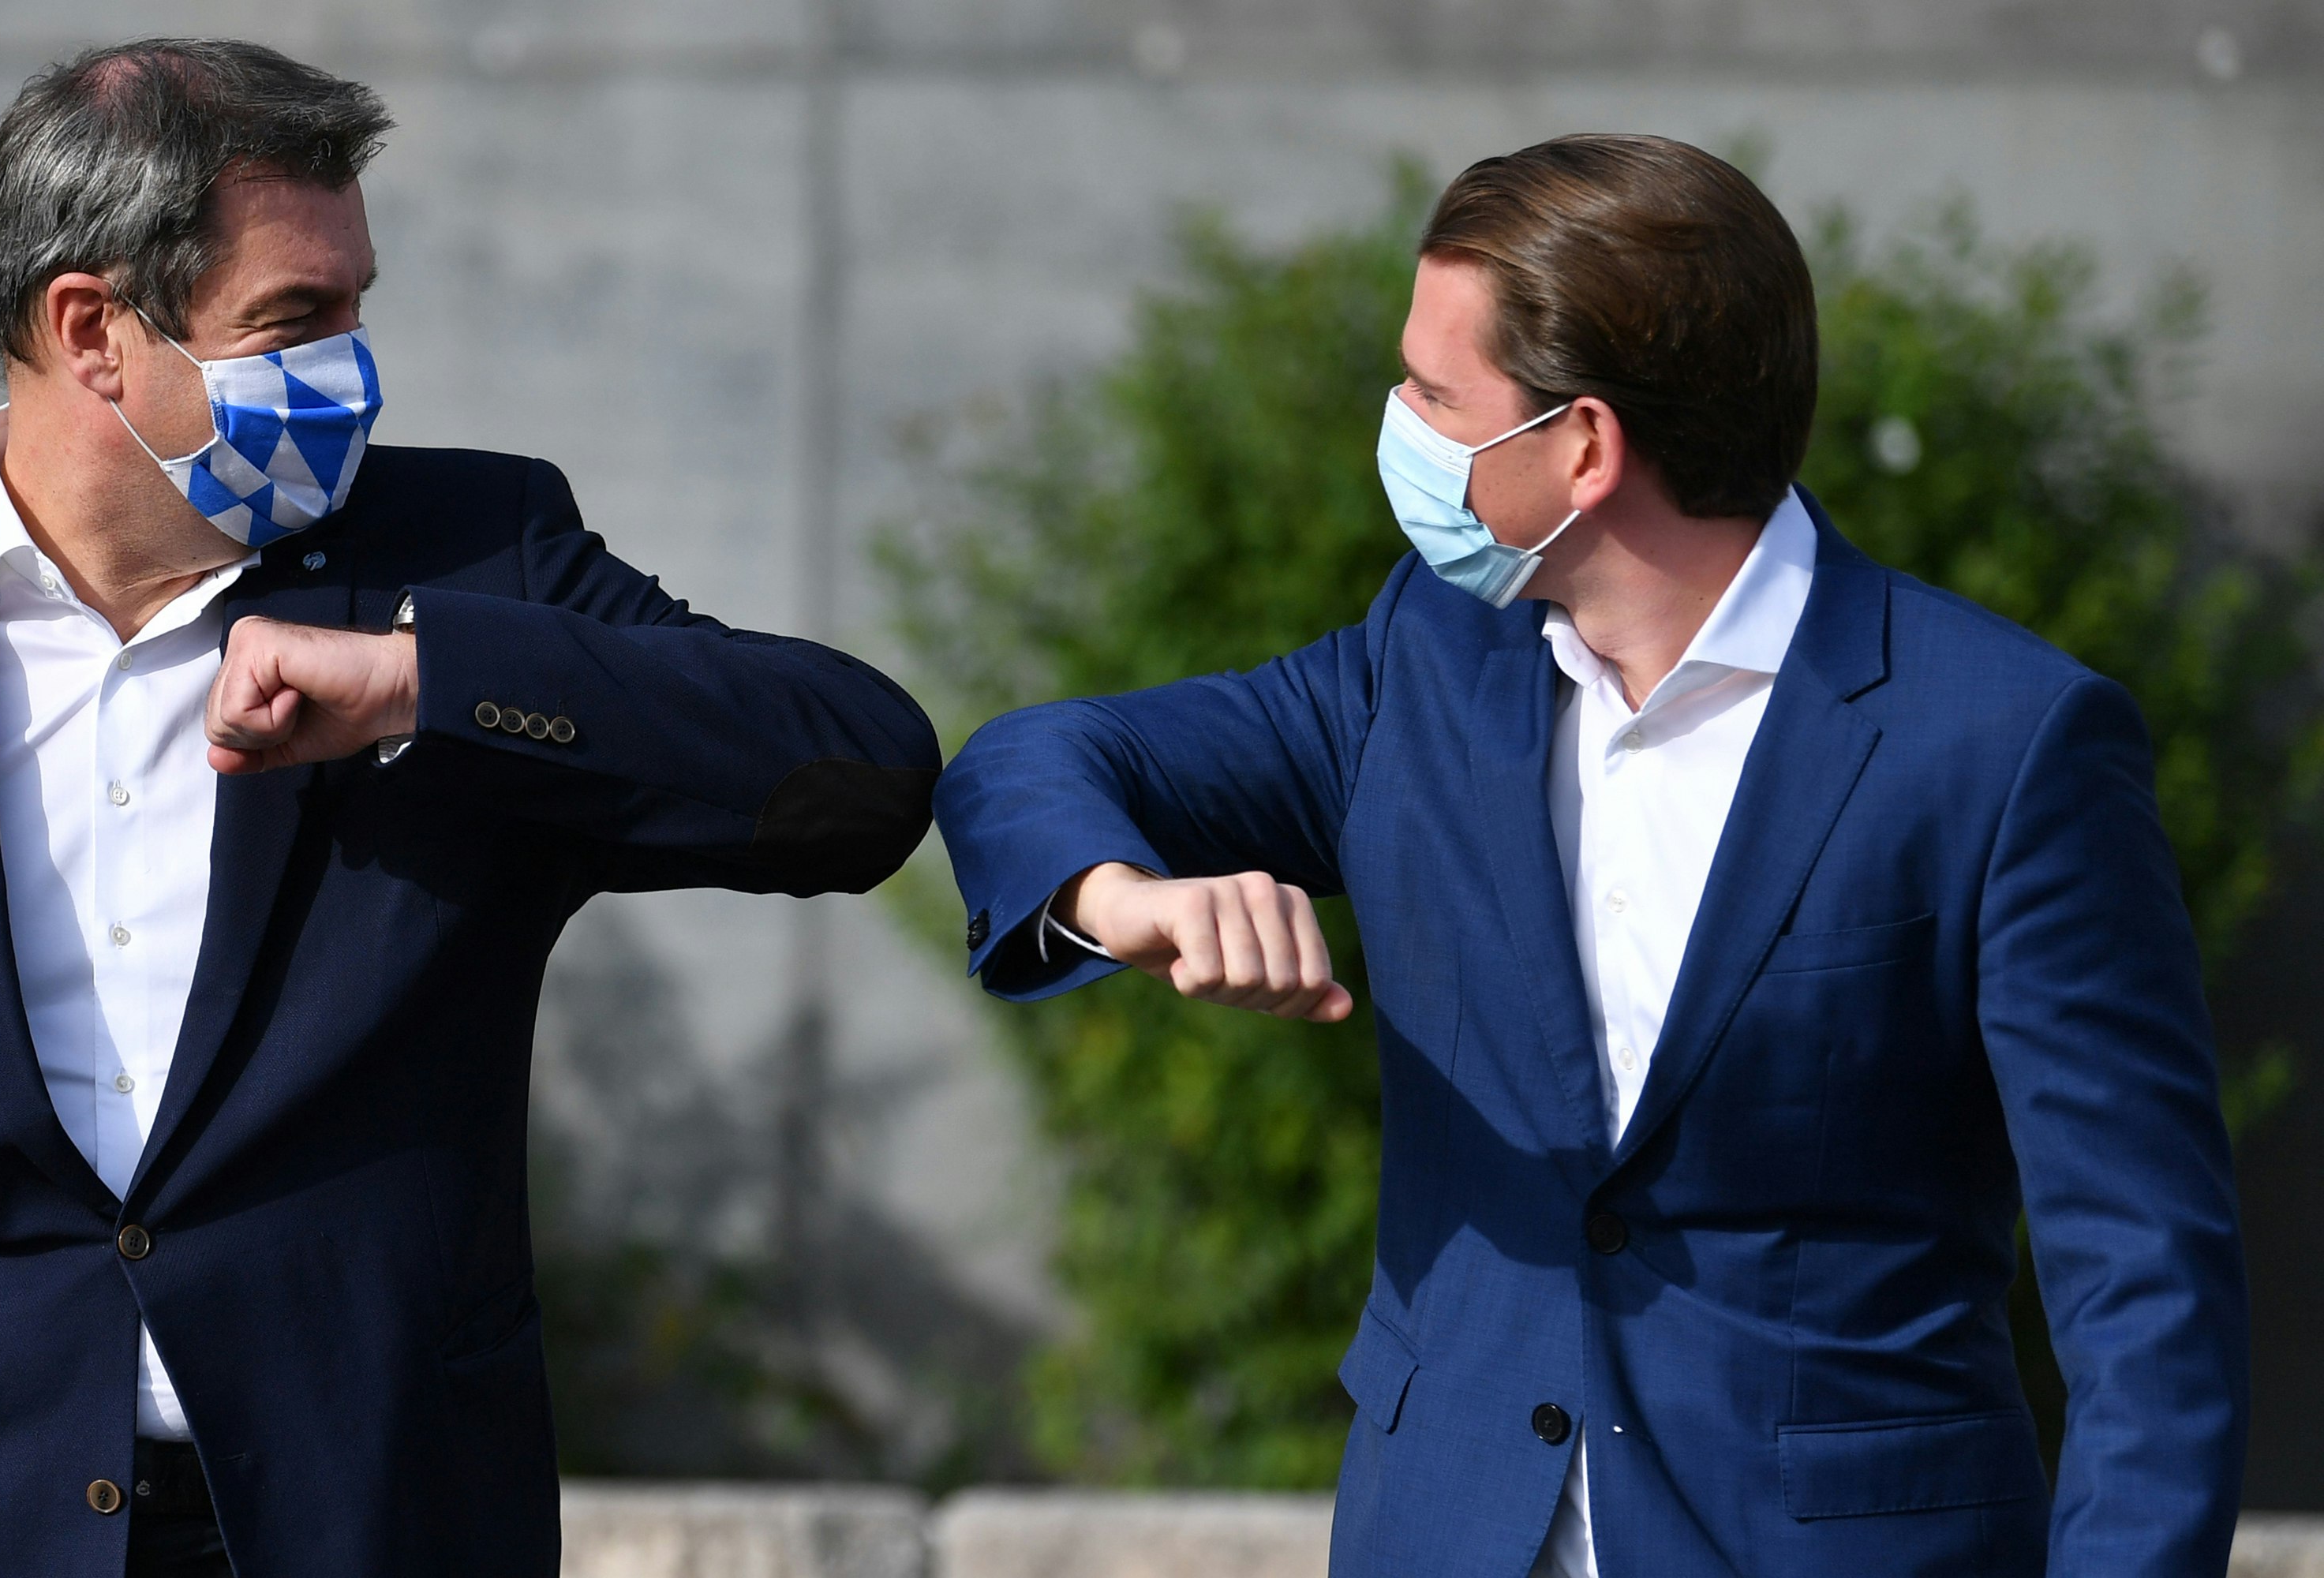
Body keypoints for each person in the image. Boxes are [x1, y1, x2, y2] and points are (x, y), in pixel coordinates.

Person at [0, 38, 939, 1578]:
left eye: (358, 305)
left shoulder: (470, 565)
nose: (352, 366)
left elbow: (863, 775)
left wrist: (429, 682)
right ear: (92, 329)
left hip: (359, 1521)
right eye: (295, 320)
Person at [934, 134, 2245, 1576]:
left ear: (1586, 448)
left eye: (1436, 397)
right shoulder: (1423, 662)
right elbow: (1034, 760)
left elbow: (2147, 1287)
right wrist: (1122, 899)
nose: (1399, 426)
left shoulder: (2002, 739)